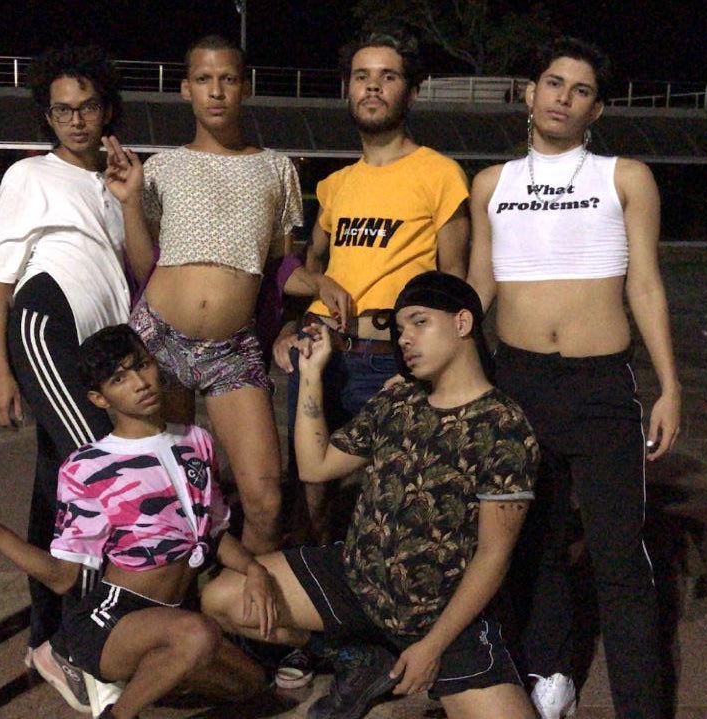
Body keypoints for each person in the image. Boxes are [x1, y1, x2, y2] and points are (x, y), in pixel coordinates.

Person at [204, 272, 539, 719]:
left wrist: (432, 647)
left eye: (420, 322)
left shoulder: (504, 425)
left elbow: (493, 555)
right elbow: (315, 465)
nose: (406, 338)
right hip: (358, 581)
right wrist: (311, 375)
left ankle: (408, 658)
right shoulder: (398, 400)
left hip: (438, 614)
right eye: (400, 329)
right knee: (223, 598)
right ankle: (360, 658)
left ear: (462, 323)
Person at [466, 36, 681, 719]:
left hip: (600, 387)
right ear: (529, 93)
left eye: (580, 89)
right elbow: (478, 286)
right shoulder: (491, 184)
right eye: (553, 83)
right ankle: (549, 670)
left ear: (596, 109)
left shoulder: (625, 177)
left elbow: (645, 283)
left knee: (620, 558)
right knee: (537, 543)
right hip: (518, 383)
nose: (563, 97)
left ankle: (642, 706)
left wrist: (669, 385)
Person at [0, 325, 272, 719]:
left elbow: (208, 531)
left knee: (250, 683)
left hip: (171, 616)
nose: (140, 383)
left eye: (141, 365)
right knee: (198, 635)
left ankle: (149, 670)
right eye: (119, 379)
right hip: (109, 622)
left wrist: (254, 570)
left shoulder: (195, 441)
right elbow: (62, 578)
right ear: (99, 398)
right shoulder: (90, 467)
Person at [103, 34, 337, 556]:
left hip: (232, 349)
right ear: (185, 89)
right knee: (169, 496)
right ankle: (183, 595)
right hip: (158, 341)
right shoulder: (160, 168)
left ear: (244, 88)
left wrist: (319, 281)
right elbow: (143, 267)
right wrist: (130, 201)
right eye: (204, 79)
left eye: (228, 79)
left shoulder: (276, 168)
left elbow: (279, 268)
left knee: (266, 501)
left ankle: (247, 598)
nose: (216, 91)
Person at [272, 28, 470, 545]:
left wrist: (428, 363)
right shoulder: (335, 185)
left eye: (388, 76)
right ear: (349, 89)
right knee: (310, 493)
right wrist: (290, 327)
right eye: (362, 76)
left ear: (412, 91)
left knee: (396, 496)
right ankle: (313, 583)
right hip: (320, 354)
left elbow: (454, 281)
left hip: (390, 361)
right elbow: (311, 266)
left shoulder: (441, 174)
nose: (373, 86)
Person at [0, 43, 133, 676]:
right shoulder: (29, 175)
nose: (75, 120)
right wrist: (1, 371)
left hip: (98, 345)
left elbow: (135, 265)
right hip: (46, 325)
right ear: (47, 115)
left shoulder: (119, 177)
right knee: (101, 465)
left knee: (58, 480)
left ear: (106, 109)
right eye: (61, 110)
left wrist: (131, 196)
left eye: (87, 107)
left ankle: (46, 635)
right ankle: (87, 625)